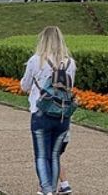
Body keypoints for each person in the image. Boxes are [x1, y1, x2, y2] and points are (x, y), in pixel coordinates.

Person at [20, 26, 76, 195]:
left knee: (41, 155)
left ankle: (46, 190)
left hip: (40, 112)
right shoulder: (70, 63)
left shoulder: (36, 60)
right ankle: (51, 188)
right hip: (62, 115)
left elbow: (25, 86)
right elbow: (70, 87)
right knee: (54, 155)